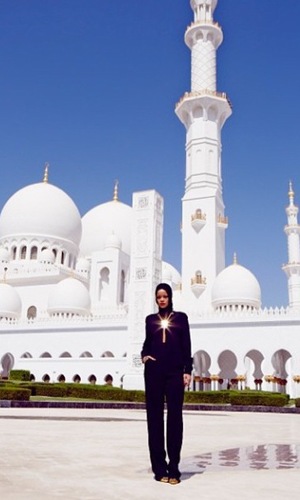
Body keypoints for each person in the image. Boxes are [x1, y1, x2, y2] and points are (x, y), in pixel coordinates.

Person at [141, 283, 193, 485]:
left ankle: (174, 467)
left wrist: (187, 370)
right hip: (154, 372)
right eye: (158, 296)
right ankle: (159, 468)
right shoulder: (150, 320)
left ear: (170, 297)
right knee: (154, 419)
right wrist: (145, 356)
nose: (162, 299)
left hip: (174, 373)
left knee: (175, 419)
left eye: (165, 296)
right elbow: (147, 343)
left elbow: (186, 345)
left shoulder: (181, 318)